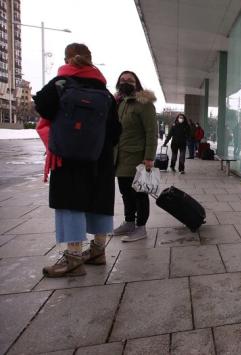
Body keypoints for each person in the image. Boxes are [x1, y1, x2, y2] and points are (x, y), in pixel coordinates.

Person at [34, 43, 121, 277]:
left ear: (67, 59)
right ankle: (98, 251)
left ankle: (73, 258)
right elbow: (115, 130)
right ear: (91, 61)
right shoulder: (105, 92)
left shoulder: (61, 83)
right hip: (99, 156)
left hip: (68, 155)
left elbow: (41, 106)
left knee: (70, 203)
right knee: (99, 202)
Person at [112, 70, 157, 242]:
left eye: (130, 80)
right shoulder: (119, 103)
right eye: (122, 79)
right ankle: (129, 222)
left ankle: (141, 227)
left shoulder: (143, 103)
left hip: (138, 157)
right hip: (121, 157)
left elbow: (151, 132)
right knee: (125, 192)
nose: (126, 82)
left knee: (140, 194)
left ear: (136, 83)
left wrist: (149, 158)